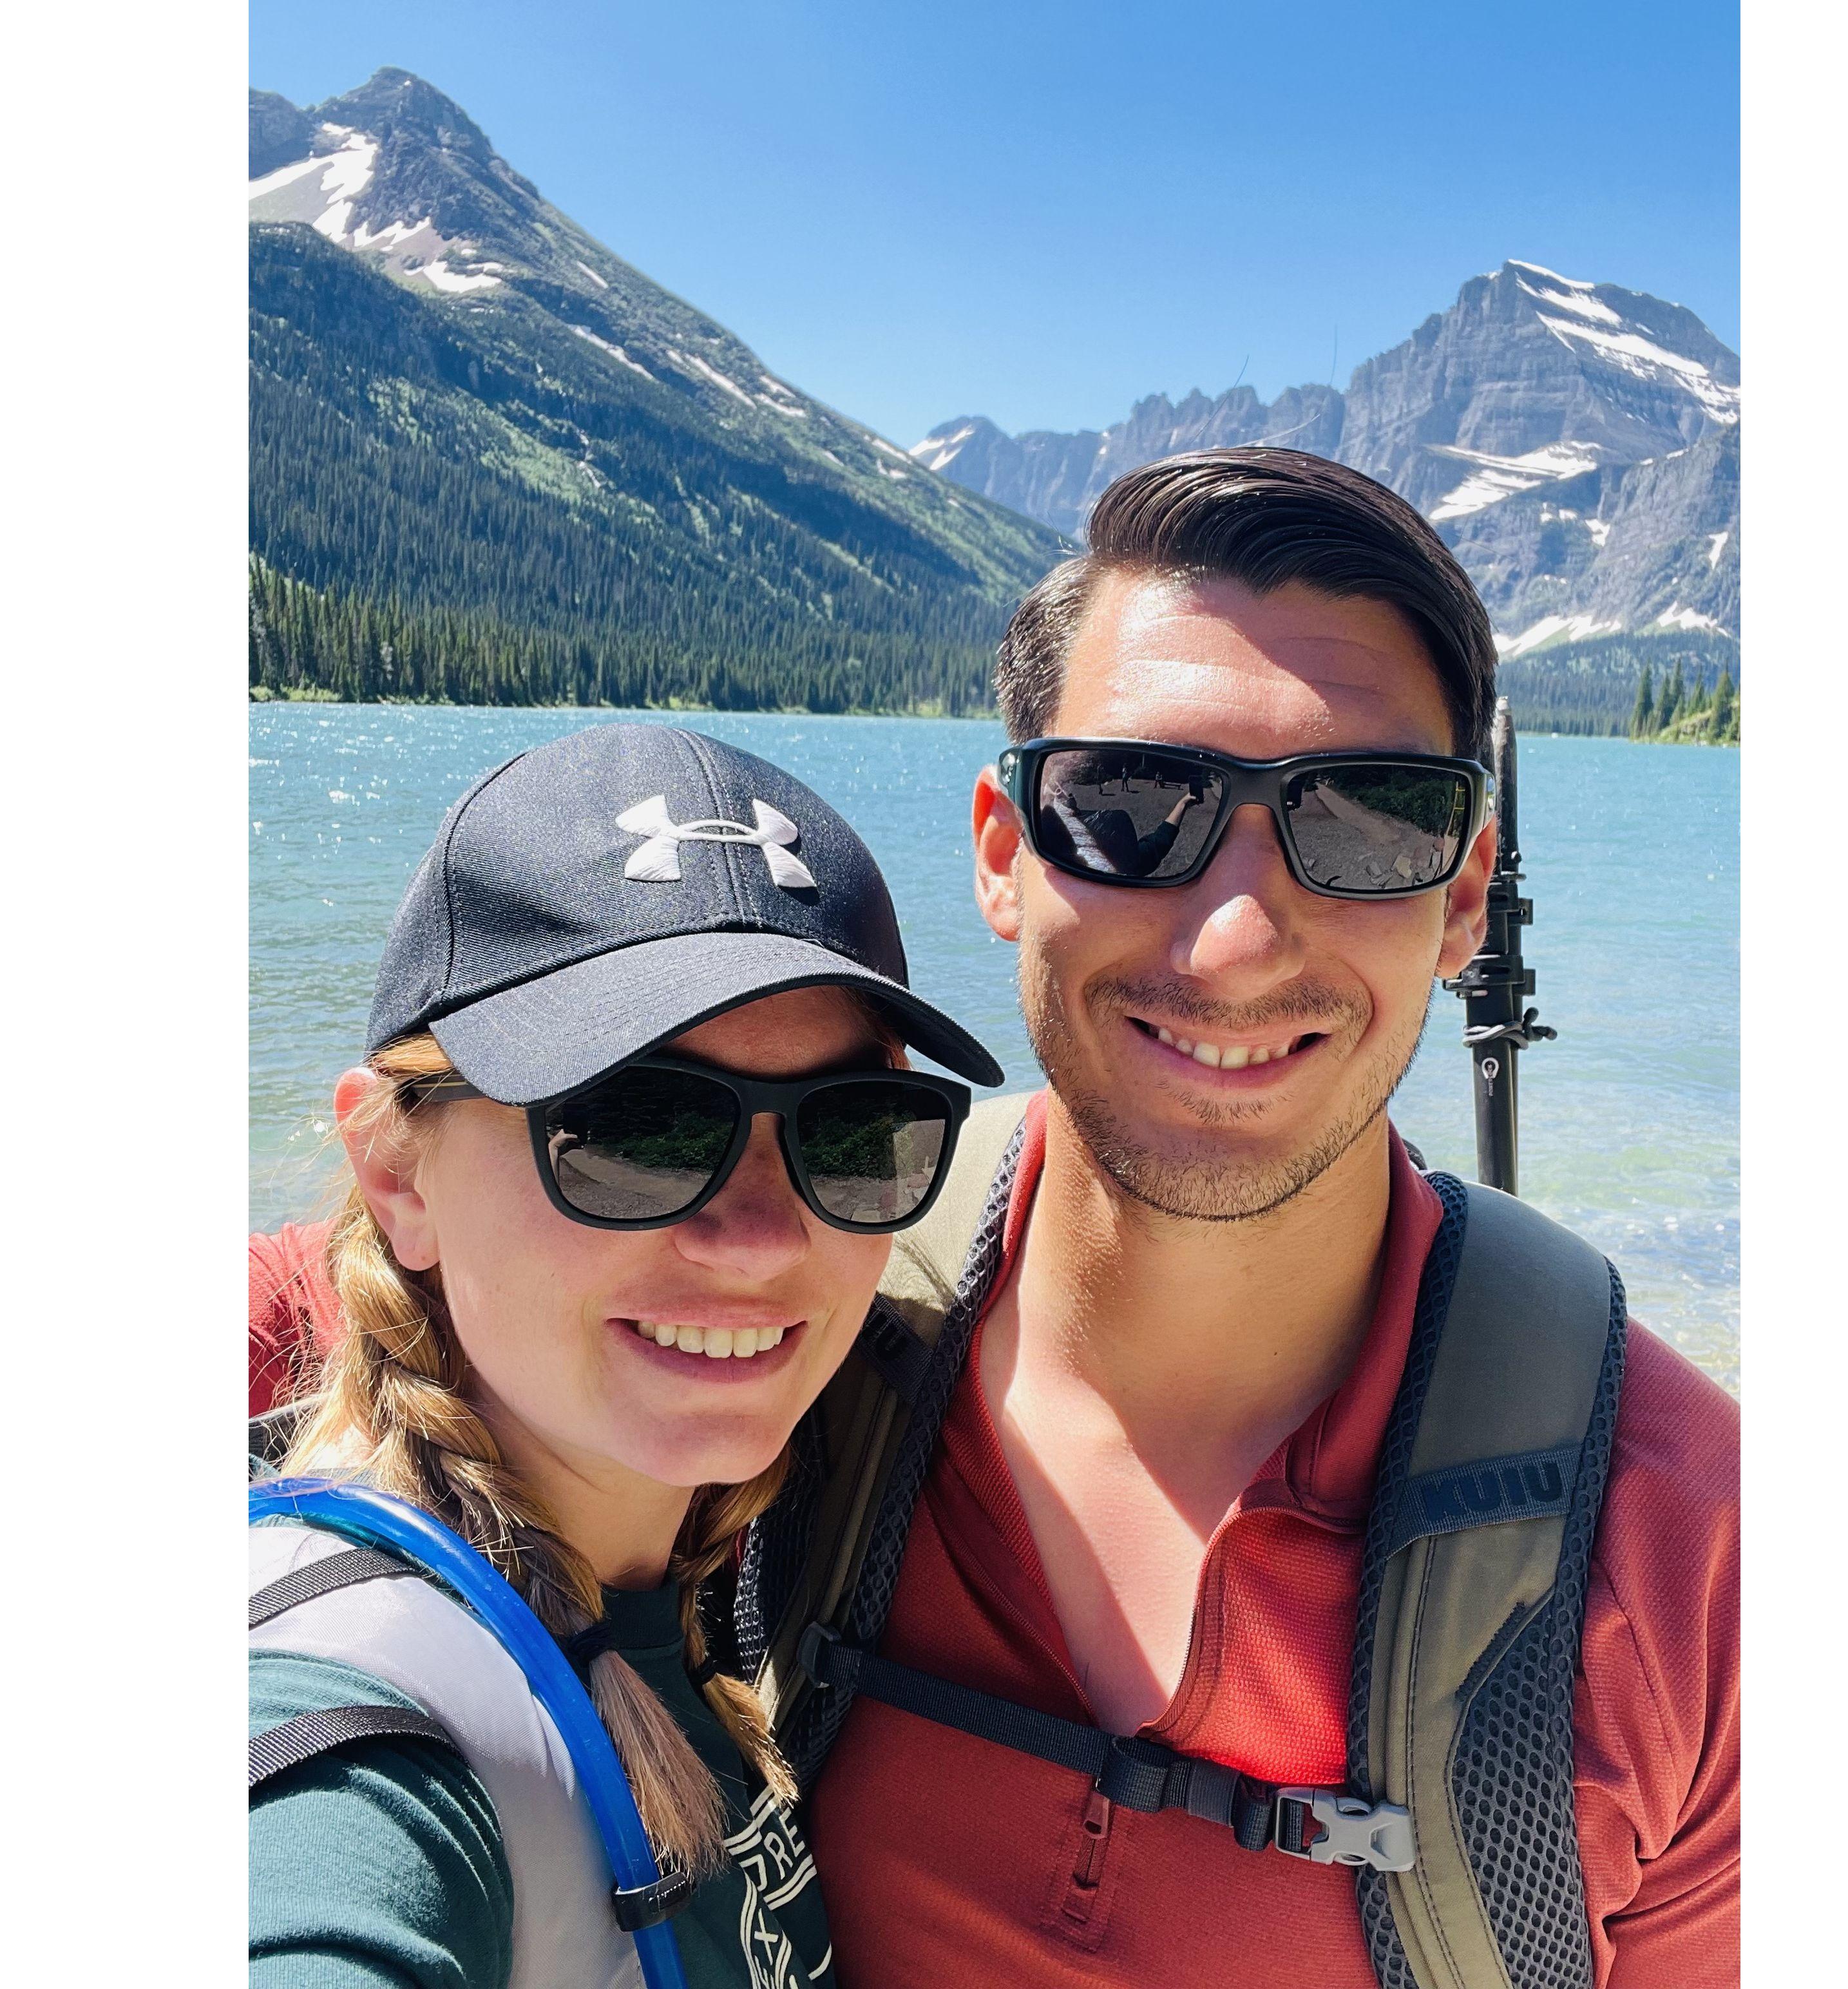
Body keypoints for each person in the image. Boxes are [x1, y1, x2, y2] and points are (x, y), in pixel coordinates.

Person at [743, 449, 1738, 1989]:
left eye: (1365, 821)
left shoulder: (1695, 1560)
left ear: (1462, 897)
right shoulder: (768, 1285)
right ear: (1005, 853)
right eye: (1132, 808)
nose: (1234, 939)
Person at [248, 722, 1002, 1989]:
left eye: (853, 1127)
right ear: (394, 1168)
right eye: (636, 1126)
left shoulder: (694, 1593)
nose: (761, 1237)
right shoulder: (349, 1729)